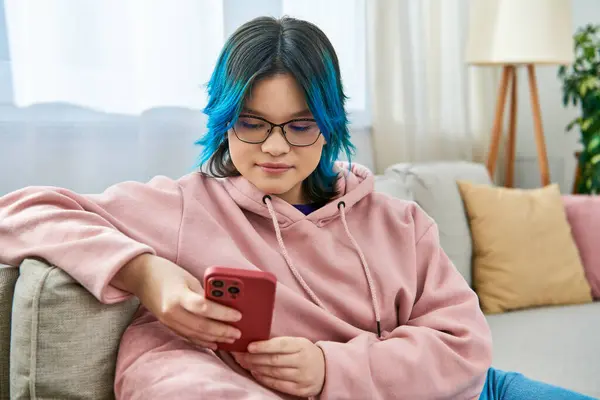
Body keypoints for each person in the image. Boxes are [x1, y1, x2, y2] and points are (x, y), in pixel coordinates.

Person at [0, 16, 595, 400]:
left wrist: (331, 369)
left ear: (330, 124)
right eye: (252, 124)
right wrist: (145, 273)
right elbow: (19, 211)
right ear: (224, 121)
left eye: (300, 125)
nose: (276, 147)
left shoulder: (401, 223)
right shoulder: (183, 206)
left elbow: (464, 346)